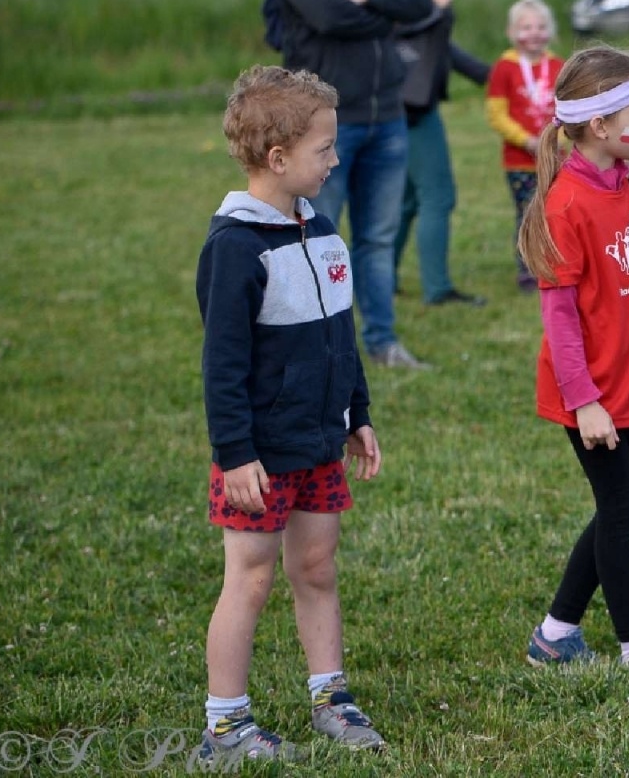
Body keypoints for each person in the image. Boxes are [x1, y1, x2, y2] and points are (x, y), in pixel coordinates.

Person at [195, 66, 386, 765]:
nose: (335, 159)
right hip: (259, 456)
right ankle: (225, 725)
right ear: (279, 159)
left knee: (317, 566)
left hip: (319, 441)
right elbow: (221, 368)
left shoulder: (322, 230)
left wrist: (356, 413)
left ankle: (330, 697)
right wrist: (236, 452)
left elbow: (341, 331)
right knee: (249, 576)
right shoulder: (235, 249)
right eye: (324, 148)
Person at [518, 46, 629, 693]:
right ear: (599, 127)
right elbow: (559, 320)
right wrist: (584, 399)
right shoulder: (568, 205)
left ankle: (556, 634)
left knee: (626, 504)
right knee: (618, 509)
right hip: (591, 392)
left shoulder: (628, 184)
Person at [271, 0, 435, 369]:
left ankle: (383, 343)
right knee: (319, 235)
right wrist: (384, 5)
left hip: (386, 115)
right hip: (321, 124)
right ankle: (317, 346)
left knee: (378, 239)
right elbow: (325, 13)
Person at [389, 0, 492, 307]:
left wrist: (490, 74)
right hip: (406, 100)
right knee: (437, 194)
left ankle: (378, 277)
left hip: (411, 97)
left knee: (410, 197)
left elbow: (437, 46)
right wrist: (437, 7)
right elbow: (395, 29)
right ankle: (438, 289)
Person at [487, 0, 564, 293]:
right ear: (511, 32)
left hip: (556, 157)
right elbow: (497, 114)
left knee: (557, 211)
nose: (534, 34)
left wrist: (559, 139)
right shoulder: (504, 68)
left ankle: (556, 262)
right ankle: (527, 270)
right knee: (528, 213)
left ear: (550, 31)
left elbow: (569, 108)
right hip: (520, 161)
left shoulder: (559, 66)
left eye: (541, 27)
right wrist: (526, 140)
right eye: (526, 28)